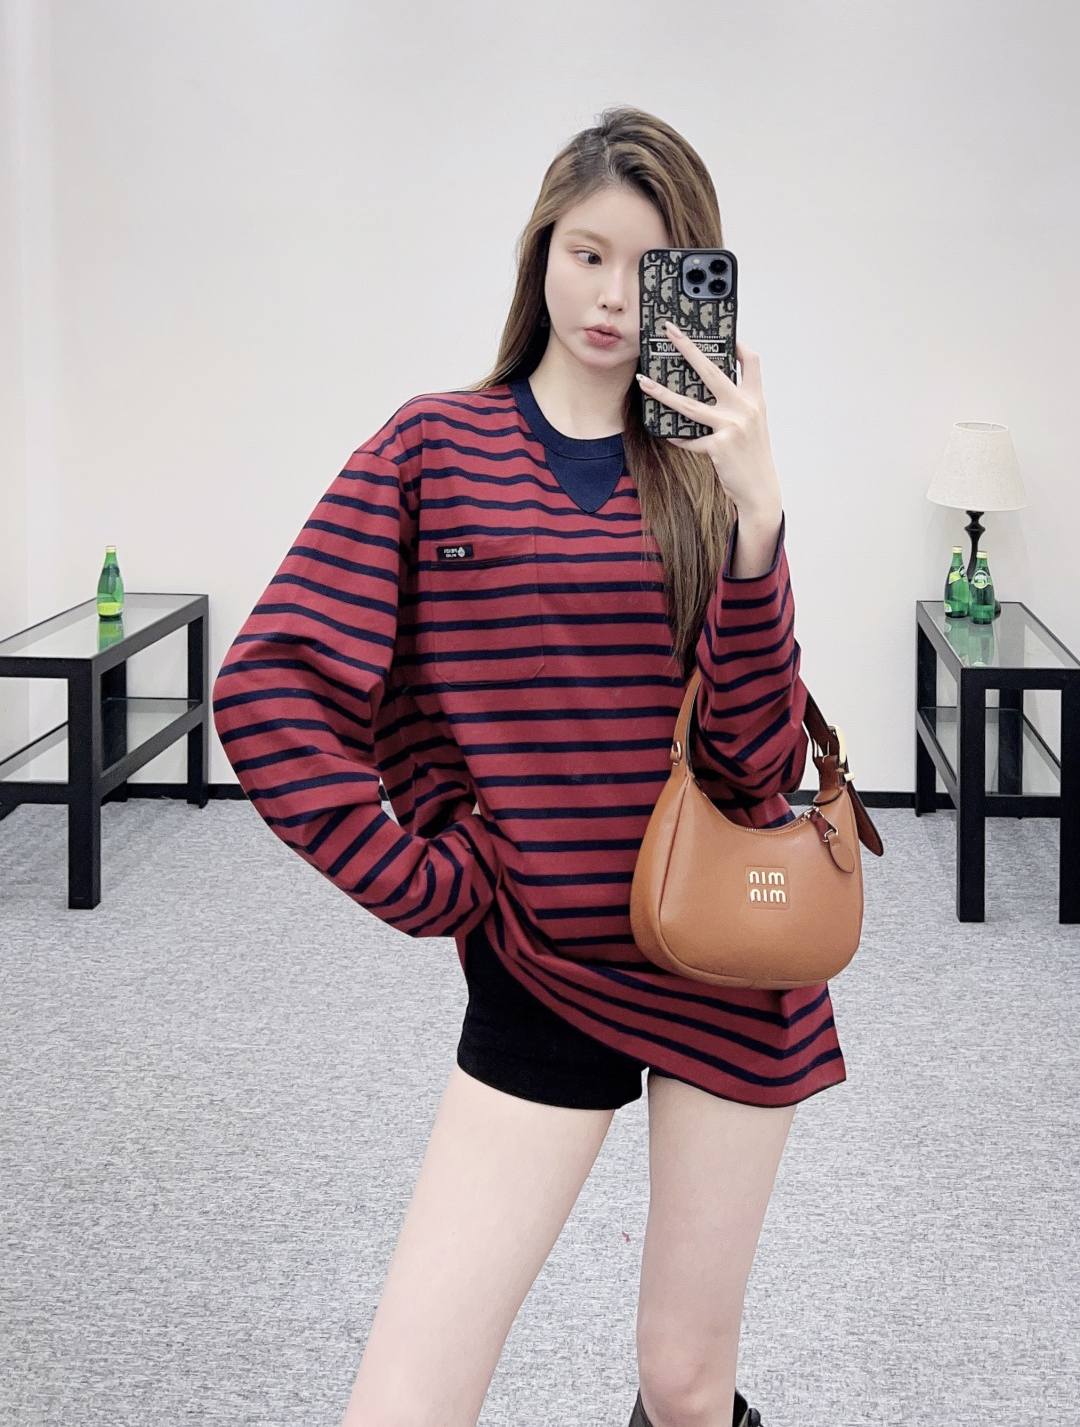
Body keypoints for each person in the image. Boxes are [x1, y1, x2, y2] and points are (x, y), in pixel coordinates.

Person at [212, 107, 846, 1427]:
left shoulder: (701, 479)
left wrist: (758, 517)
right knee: (402, 1404)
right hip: (543, 964)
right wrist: (427, 881)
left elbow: (754, 764)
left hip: (724, 961)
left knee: (684, 1383)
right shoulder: (433, 449)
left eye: (648, 266)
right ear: (540, 254)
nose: (612, 296)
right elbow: (269, 689)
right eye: (586, 253)